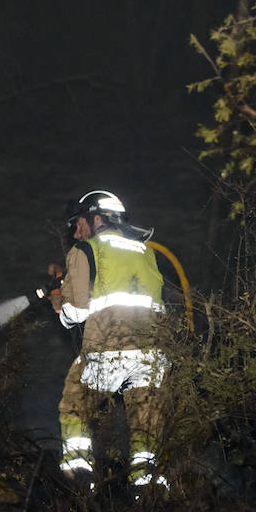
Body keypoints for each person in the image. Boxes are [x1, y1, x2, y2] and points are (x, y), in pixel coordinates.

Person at [48, 189, 168, 488]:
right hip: (153, 357)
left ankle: (78, 475)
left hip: (108, 351)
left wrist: (57, 298)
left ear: (97, 218)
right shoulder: (146, 252)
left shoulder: (86, 250)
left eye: (79, 224)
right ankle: (148, 490)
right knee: (145, 425)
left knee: (74, 404)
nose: (76, 233)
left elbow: (75, 313)